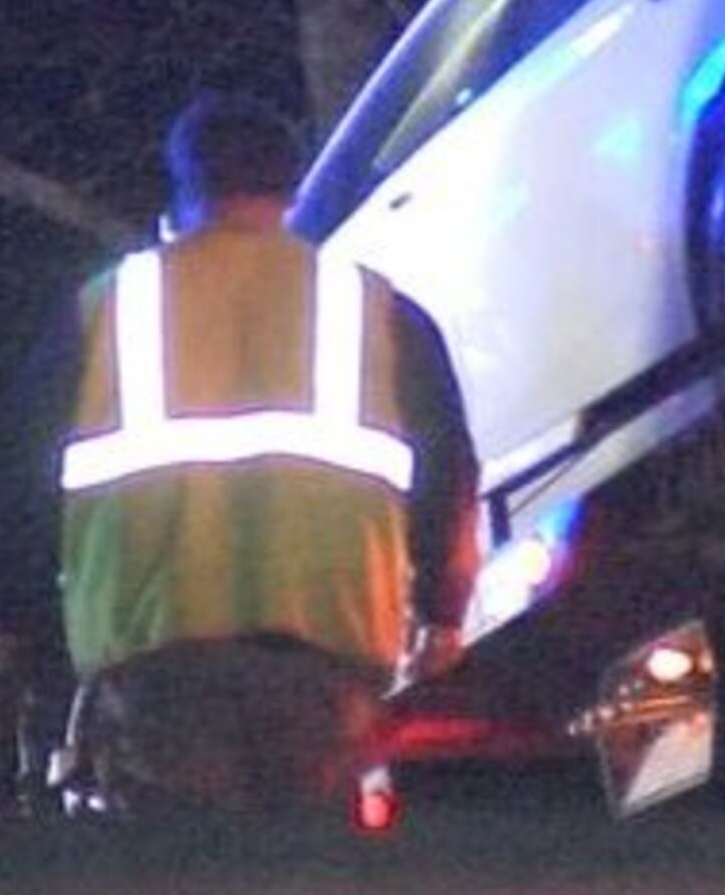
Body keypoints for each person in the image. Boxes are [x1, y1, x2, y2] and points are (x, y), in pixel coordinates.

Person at [50, 92, 481, 817]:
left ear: (185, 187)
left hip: (156, 650)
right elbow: (447, 469)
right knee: (305, 880)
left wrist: (20, 628)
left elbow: (21, 482)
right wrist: (442, 611)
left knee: (185, 891)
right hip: (327, 650)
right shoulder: (376, 308)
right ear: (292, 186)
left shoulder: (102, 309)